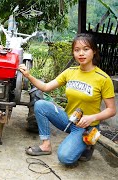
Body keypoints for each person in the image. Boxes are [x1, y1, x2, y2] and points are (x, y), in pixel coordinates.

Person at [19, 33, 116, 166]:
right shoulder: (70, 72)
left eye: (86, 49)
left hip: (85, 126)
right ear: (73, 53)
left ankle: (88, 143)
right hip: (68, 119)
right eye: (77, 50)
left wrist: (92, 118)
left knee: (65, 158)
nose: (81, 53)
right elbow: (46, 87)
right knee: (40, 104)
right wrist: (28, 76)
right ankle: (46, 145)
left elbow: (111, 110)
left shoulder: (103, 78)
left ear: (94, 51)